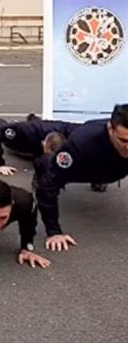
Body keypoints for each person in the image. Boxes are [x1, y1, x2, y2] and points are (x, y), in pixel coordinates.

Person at [35, 104, 128, 251]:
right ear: (111, 130)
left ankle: (100, 177)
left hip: (108, 166)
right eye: (124, 141)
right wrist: (54, 232)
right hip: (80, 161)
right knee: (34, 146)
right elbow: (49, 186)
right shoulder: (80, 145)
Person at [0, 113, 80, 176]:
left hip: (40, 132)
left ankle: (33, 118)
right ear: (43, 144)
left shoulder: (72, 132)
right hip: (26, 137)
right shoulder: (27, 131)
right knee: (8, 139)